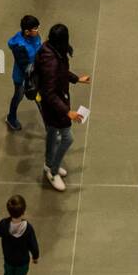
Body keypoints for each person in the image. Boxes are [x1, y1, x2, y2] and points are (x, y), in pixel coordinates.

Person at [35, 23, 90, 192]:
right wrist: (68, 112)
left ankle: (49, 162)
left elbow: (62, 71)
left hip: (53, 107)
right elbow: (49, 93)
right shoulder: (51, 61)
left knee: (52, 134)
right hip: (55, 107)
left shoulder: (50, 49)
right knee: (67, 138)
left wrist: (76, 79)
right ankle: (52, 171)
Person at [6, 15, 42, 132]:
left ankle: (49, 128)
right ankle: (11, 118)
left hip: (35, 75)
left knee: (41, 101)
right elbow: (25, 67)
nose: (38, 31)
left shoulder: (35, 36)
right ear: (27, 31)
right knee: (18, 96)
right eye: (35, 29)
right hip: (22, 78)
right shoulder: (19, 46)